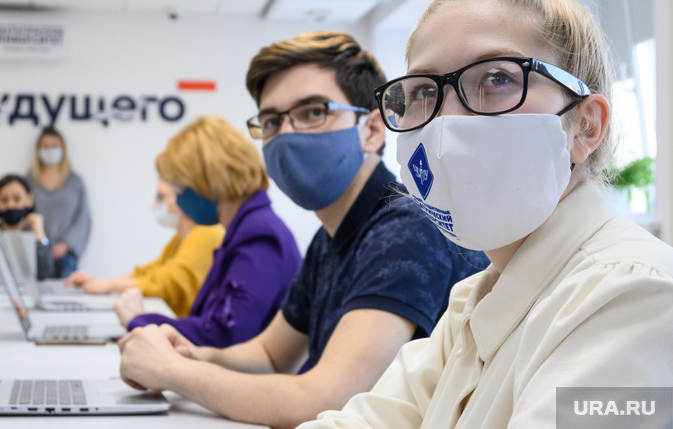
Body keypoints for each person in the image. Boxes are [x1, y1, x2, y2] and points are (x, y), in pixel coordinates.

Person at [300, 0, 673, 428]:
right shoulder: (472, 304)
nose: (446, 122)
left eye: (496, 78)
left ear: (585, 125)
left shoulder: (634, 296)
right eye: (423, 91)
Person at [117, 32, 488, 428]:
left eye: (313, 112)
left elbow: (327, 399)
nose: (287, 134)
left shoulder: (406, 228)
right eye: (271, 121)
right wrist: (192, 354)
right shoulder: (330, 237)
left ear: (372, 130)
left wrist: (171, 371)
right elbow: (270, 355)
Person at [114, 115, 301, 348]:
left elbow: (225, 334)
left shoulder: (259, 234)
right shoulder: (245, 229)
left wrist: (139, 320)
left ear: (208, 179)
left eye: (179, 186)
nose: (179, 197)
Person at [64, 178, 224, 318]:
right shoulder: (181, 238)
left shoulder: (207, 231)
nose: (155, 204)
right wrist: (103, 284)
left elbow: (170, 281)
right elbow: (151, 271)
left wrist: (112, 285)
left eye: (161, 197)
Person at [27, 126, 91, 279]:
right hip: (35, 253)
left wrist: (65, 244)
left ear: (63, 149)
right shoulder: (28, 182)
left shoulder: (75, 182)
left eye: (54, 146)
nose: (50, 150)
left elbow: (83, 218)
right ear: (38, 150)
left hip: (66, 256)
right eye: (45, 146)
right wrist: (40, 244)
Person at [0, 174, 54, 280]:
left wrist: (39, 237)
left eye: (17, 199)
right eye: (4, 200)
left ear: (29, 200)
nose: (10, 205)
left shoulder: (38, 236)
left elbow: (45, 274)